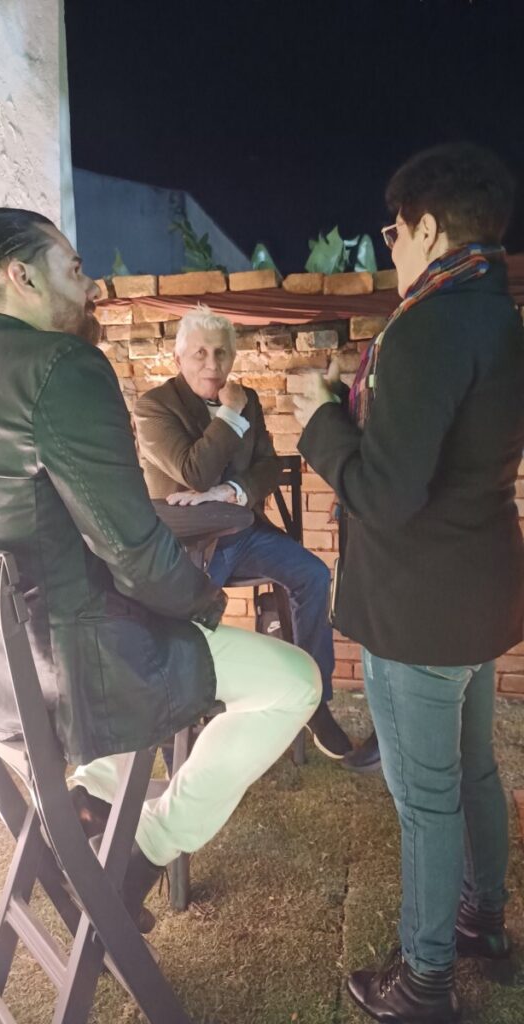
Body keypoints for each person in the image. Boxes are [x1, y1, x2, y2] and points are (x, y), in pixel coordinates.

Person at [0, 208, 321, 928]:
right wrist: (204, 604)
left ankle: (87, 803)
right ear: (22, 276)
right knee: (292, 681)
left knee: (144, 628)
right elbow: (131, 546)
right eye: (72, 266)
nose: (89, 282)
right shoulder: (61, 367)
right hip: (80, 666)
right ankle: (144, 848)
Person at [293, 143, 524, 1024]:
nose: (390, 246)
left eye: (393, 231)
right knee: (474, 771)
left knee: (427, 799)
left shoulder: (428, 326)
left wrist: (320, 417)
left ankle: (425, 982)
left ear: (427, 227)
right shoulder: (497, 315)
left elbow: (386, 495)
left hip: (420, 605)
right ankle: (482, 922)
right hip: (476, 593)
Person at [133, 305, 353, 759]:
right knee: (182, 624)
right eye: (199, 353)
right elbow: (193, 472)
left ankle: (315, 701)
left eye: (221, 353)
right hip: (190, 548)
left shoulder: (248, 397)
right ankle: (183, 722)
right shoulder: (154, 406)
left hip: (247, 535)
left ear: (233, 357)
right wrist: (230, 415)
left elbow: (269, 466)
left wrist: (232, 491)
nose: (212, 364)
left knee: (314, 575)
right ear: (179, 358)